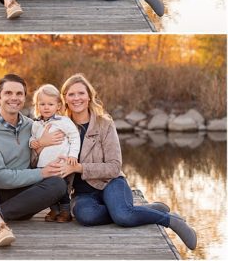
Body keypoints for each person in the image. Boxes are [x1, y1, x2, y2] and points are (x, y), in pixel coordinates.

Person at [40, 74, 196, 250]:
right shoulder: (59, 126)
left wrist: (80, 167)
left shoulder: (104, 124)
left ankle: (171, 220)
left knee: (123, 217)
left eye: (81, 93)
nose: (77, 98)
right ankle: (141, 209)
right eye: (71, 94)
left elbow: (114, 167)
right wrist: (41, 143)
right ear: (64, 99)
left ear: (89, 96)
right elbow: (40, 159)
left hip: (111, 183)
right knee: (85, 217)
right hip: (83, 194)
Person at [0, 74, 68, 247]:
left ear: (24, 98)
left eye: (19, 94)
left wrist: (43, 146)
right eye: (8, 93)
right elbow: (0, 177)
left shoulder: (33, 126)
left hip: (20, 200)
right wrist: (41, 173)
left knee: (58, 184)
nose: (14, 98)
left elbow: (43, 155)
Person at [29, 84, 79, 222]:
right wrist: (32, 142)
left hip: (60, 163)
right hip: (42, 164)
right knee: (47, 189)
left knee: (61, 187)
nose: (46, 107)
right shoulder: (36, 124)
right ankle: (54, 210)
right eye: (42, 104)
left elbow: (74, 137)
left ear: (58, 106)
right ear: (37, 105)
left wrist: (73, 155)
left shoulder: (64, 121)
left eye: (50, 104)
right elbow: (34, 137)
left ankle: (65, 211)